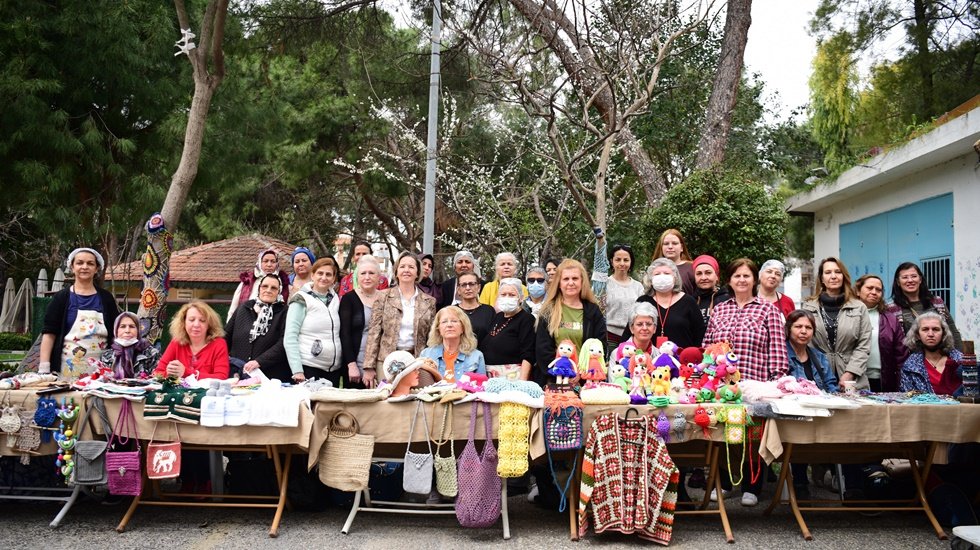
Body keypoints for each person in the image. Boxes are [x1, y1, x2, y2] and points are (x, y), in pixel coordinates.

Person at [703, 258, 788, 507]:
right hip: (722, 386)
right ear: (729, 280)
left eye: (746, 276)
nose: (741, 280)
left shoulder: (768, 309)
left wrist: (775, 382)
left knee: (752, 435)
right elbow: (707, 346)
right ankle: (728, 483)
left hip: (755, 383)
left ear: (754, 279)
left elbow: (778, 349)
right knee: (724, 434)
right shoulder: (719, 309)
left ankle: (753, 485)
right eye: (737, 276)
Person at [39, 247, 121, 379]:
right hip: (66, 371)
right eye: (80, 263)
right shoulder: (61, 298)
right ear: (72, 267)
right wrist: (44, 368)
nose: (85, 267)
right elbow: (49, 334)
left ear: (97, 269)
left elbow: (116, 334)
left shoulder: (106, 298)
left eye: (90, 263)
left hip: (102, 373)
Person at [785, 309, 837, 499]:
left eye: (808, 327)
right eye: (798, 327)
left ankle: (847, 483)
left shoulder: (819, 356)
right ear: (789, 329)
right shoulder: (781, 353)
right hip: (794, 412)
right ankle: (799, 481)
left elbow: (830, 384)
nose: (803, 331)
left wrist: (835, 397)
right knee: (799, 434)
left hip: (820, 409)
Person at [363, 251, 437, 387]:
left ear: (417, 272)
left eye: (411, 267)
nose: (406, 270)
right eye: (402, 266)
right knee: (387, 402)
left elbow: (432, 337)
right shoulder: (383, 297)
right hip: (386, 360)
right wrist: (369, 366)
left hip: (416, 361)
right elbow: (374, 332)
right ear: (396, 271)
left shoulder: (429, 302)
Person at [801, 257, 873, 390]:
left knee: (854, 410)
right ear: (822, 279)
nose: (833, 276)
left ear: (843, 276)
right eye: (828, 272)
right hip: (818, 374)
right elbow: (805, 343)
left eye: (838, 272)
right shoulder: (808, 307)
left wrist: (850, 373)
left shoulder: (859, 307)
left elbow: (864, 346)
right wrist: (819, 369)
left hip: (852, 377)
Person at [535, 259, 606, 385]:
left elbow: (600, 346)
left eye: (575, 278)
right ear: (559, 283)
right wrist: (562, 371)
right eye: (566, 279)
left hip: (586, 381)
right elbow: (542, 349)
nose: (571, 283)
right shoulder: (548, 310)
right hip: (554, 379)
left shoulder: (593, 311)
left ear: (582, 281)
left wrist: (581, 372)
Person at [284, 258, 343, 385]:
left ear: (333, 278)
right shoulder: (301, 299)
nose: (324, 277)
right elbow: (290, 336)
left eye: (328, 274)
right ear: (312, 275)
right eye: (320, 273)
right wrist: (297, 370)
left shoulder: (335, 299)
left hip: (333, 371)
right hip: (308, 368)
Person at [225, 274, 288, 381]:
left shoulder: (284, 312)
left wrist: (259, 361)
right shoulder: (244, 308)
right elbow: (226, 335)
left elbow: (284, 342)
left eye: (273, 288)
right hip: (238, 372)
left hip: (269, 374)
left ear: (279, 291)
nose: (268, 290)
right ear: (259, 289)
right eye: (265, 286)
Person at [886, 262, 962, 351]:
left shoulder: (937, 301)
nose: (910, 280)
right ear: (898, 282)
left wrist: (959, 356)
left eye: (914, 276)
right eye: (905, 277)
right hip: (909, 360)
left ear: (920, 279)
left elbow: (952, 329)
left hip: (941, 357)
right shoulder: (891, 308)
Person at [635, 258, 705, 348]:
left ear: (675, 278)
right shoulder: (643, 301)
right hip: (648, 358)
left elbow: (699, 334)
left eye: (667, 273)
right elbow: (631, 330)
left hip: (683, 359)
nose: (662, 276)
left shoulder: (689, 301)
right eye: (657, 274)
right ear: (650, 279)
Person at [590, 232, 644, 348]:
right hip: (608, 337)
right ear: (611, 261)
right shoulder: (603, 285)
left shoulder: (638, 287)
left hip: (632, 338)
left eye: (626, 260)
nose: (622, 263)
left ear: (631, 262)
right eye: (618, 260)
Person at [855, 274, 907, 392]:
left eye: (878, 290)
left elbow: (901, 355)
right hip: (855, 378)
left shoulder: (891, 319)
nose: (874, 292)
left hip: (884, 380)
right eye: (869, 288)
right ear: (858, 291)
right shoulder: (847, 315)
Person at [154, 301, 229, 379]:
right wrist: (170, 373)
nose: (196, 325)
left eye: (202, 320)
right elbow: (157, 373)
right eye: (191, 320)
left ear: (209, 324)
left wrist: (186, 372)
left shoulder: (219, 344)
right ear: (183, 322)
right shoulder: (176, 342)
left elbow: (221, 377)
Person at [479, 278, 536, 380]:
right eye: (503, 294)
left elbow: (528, 354)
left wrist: (522, 383)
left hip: (513, 376)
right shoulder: (498, 316)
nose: (507, 297)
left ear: (521, 298)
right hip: (490, 376)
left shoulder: (526, 319)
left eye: (512, 295)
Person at [339, 254, 382, 388]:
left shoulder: (386, 298)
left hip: (380, 364)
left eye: (371, 273)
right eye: (363, 273)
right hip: (356, 365)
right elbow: (344, 334)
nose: (367, 277)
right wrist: (351, 364)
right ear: (357, 276)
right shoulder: (349, 299)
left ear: (379, 277)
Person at [900, 312, 963, 395]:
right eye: (925, 329)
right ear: (918, 335)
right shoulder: (910, 367)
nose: (930, 334)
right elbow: (908, 401)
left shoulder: (961, 361)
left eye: (936, 329)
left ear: (943, 334)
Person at [420, 306, 487, 381]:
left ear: (463, 328)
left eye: (454, 321)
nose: (449, 325)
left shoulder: (476, 356)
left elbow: (482, 387)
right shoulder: (426, 355)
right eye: (444, 322)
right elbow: (422, 386)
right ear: (438, 329)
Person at [228, 248, 290, 321]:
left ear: (277, 264)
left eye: (273, 261)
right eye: (266, 261)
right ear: (260, 262)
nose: (269, 264)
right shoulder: (248, 281)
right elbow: (233, 308)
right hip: (245, 322)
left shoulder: (283, 284)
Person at [98, 311, 160, 379]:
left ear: (138, 330)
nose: (127, 330)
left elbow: (157, 380)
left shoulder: (152, 354)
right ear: (116, 330)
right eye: (123, 326)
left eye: (132, 326)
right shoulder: (107, 356)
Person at [455, 271, 496, 344]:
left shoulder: (489, 311)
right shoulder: (452, 312)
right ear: (458, 290)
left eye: (471, 284)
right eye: (464, 285)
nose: (468, 288)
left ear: (478, 288)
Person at [654, 229, 695, 295]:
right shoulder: (654, 269)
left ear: (681, 247)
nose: (670, 247)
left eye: (674, 243)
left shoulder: (692, 268)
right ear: (661, 247)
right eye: (666, 244)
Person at [691, 254, 729, 326]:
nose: (704, 277)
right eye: (699, 274)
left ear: (717, 276)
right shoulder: (690, 301)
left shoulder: (727, 299)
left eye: (708, 273)